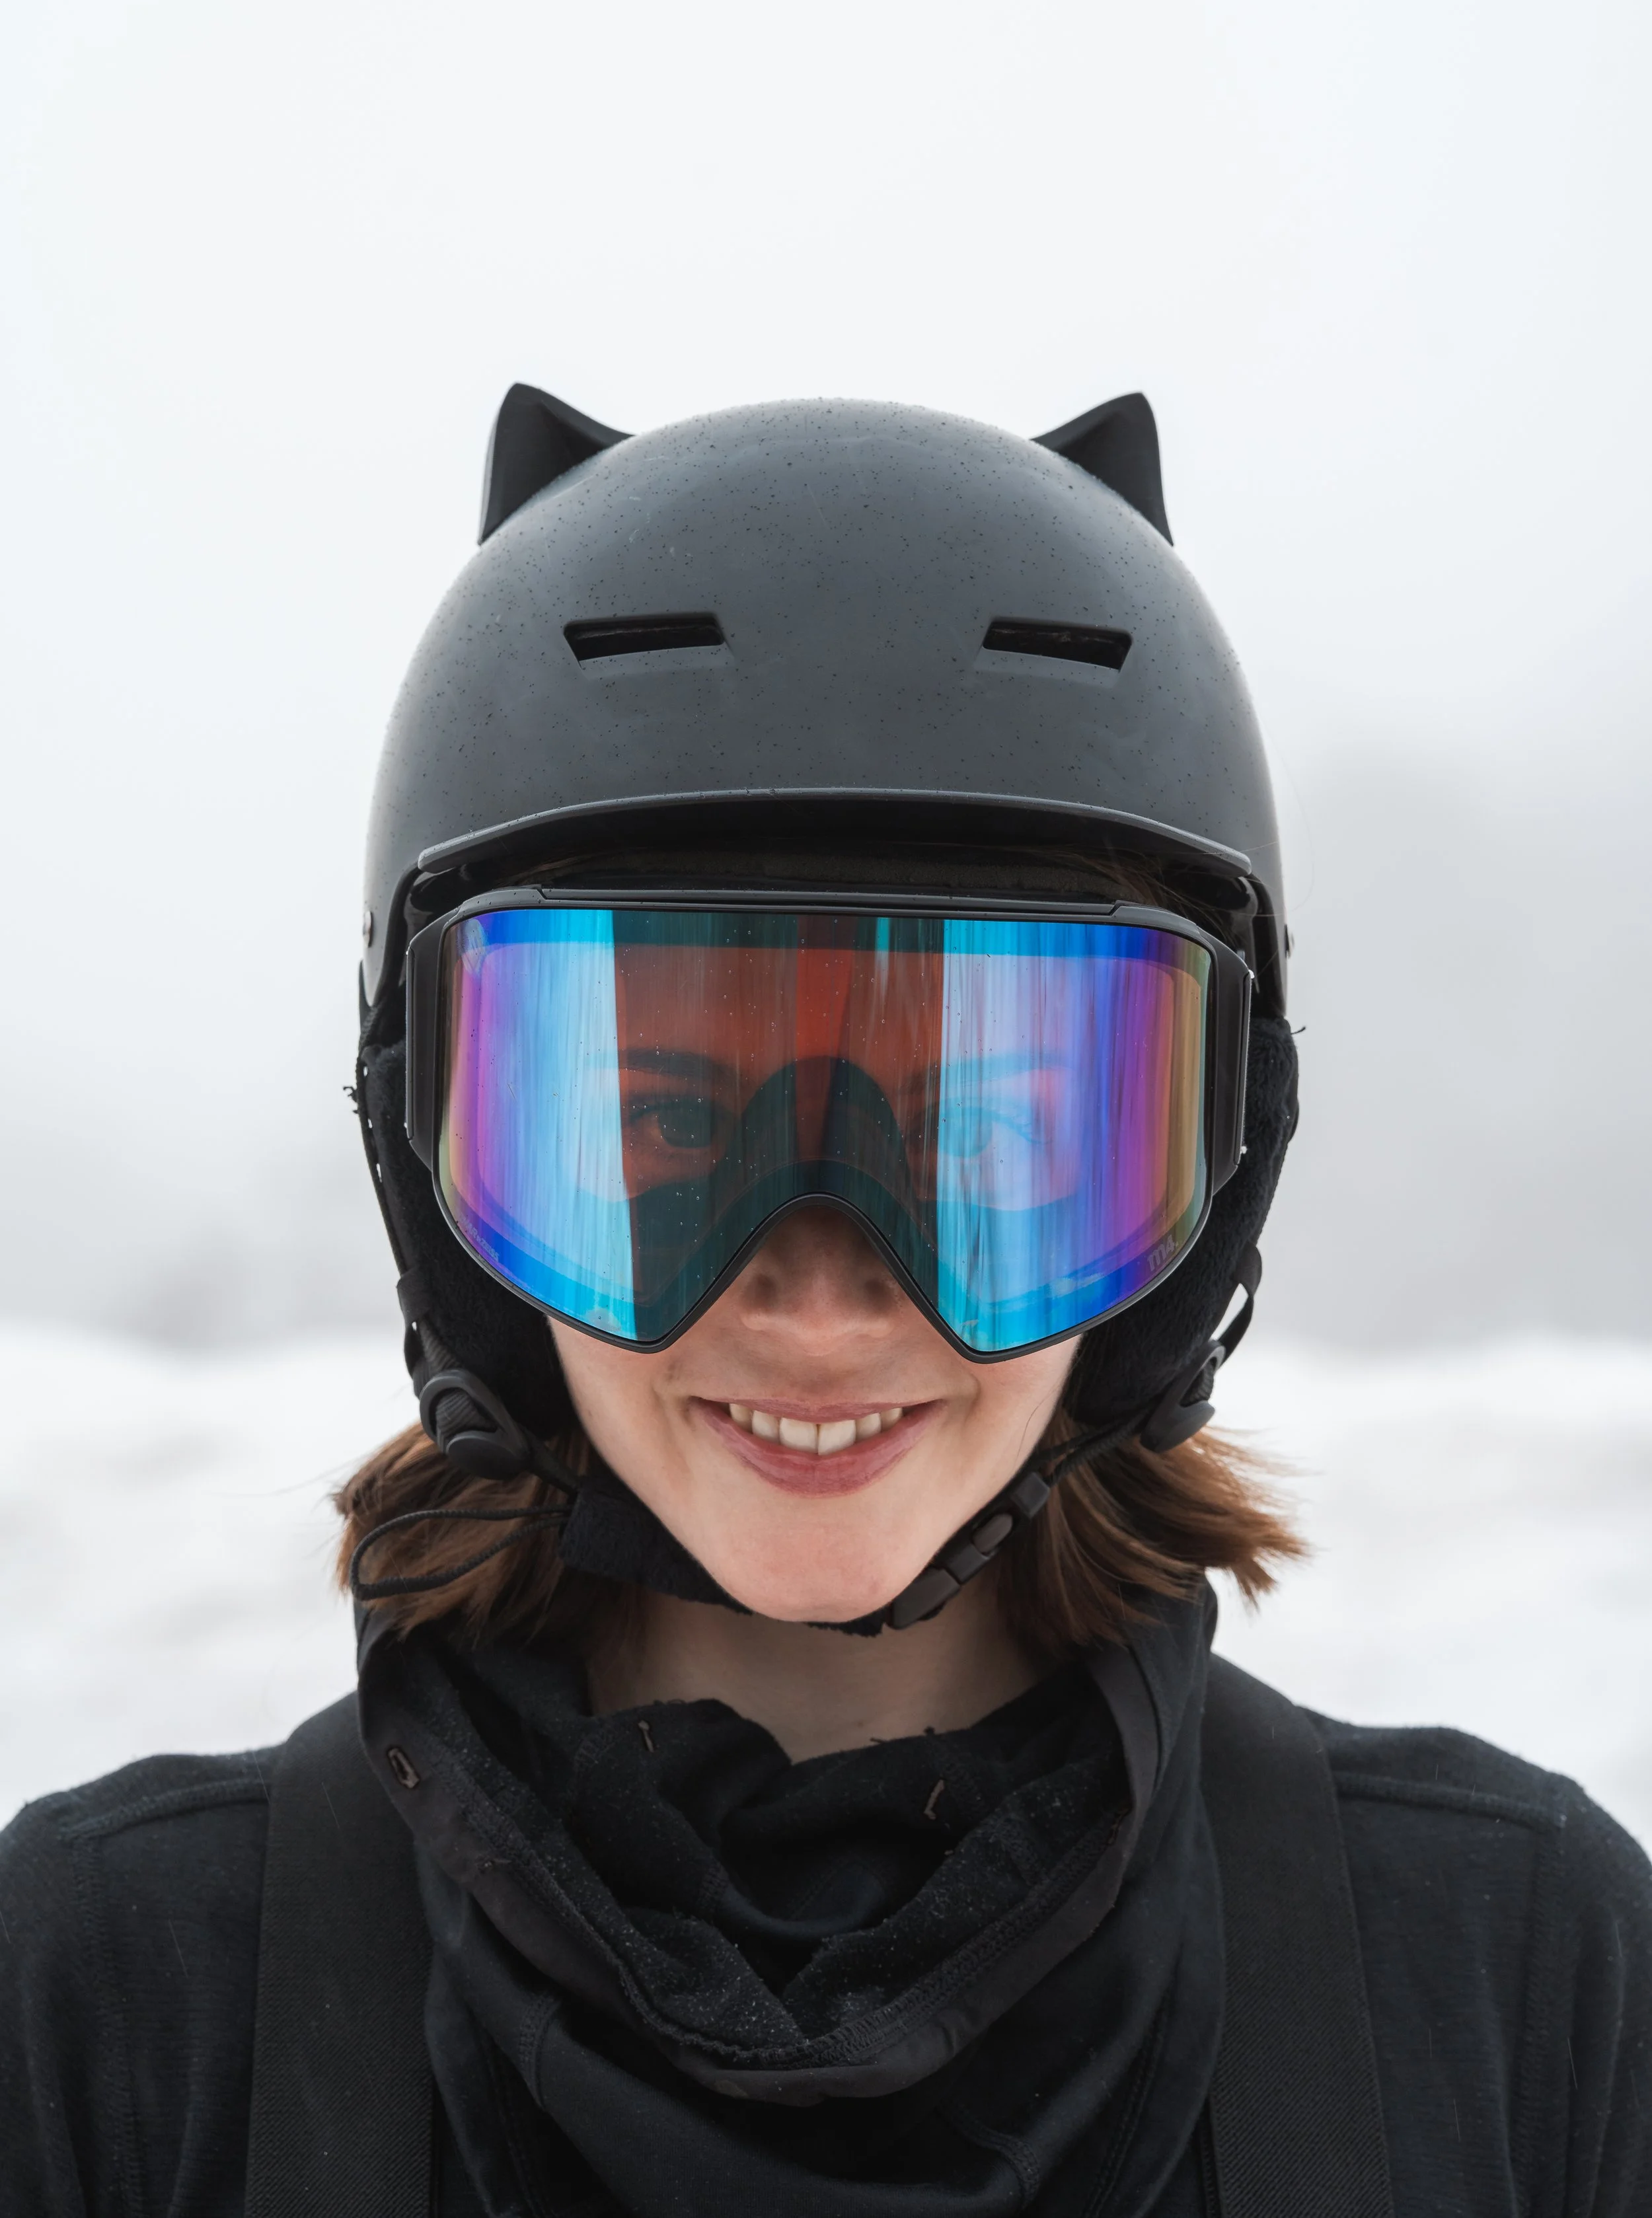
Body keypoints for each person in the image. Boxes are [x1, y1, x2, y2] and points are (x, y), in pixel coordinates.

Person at [1, 388, 1646, 2217]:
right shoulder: (110, 2000)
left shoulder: (1516, 1980)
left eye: (992, 1139)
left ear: (1200, 1174)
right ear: (445, 1163)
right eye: (654, 1134)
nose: (818, 1293)